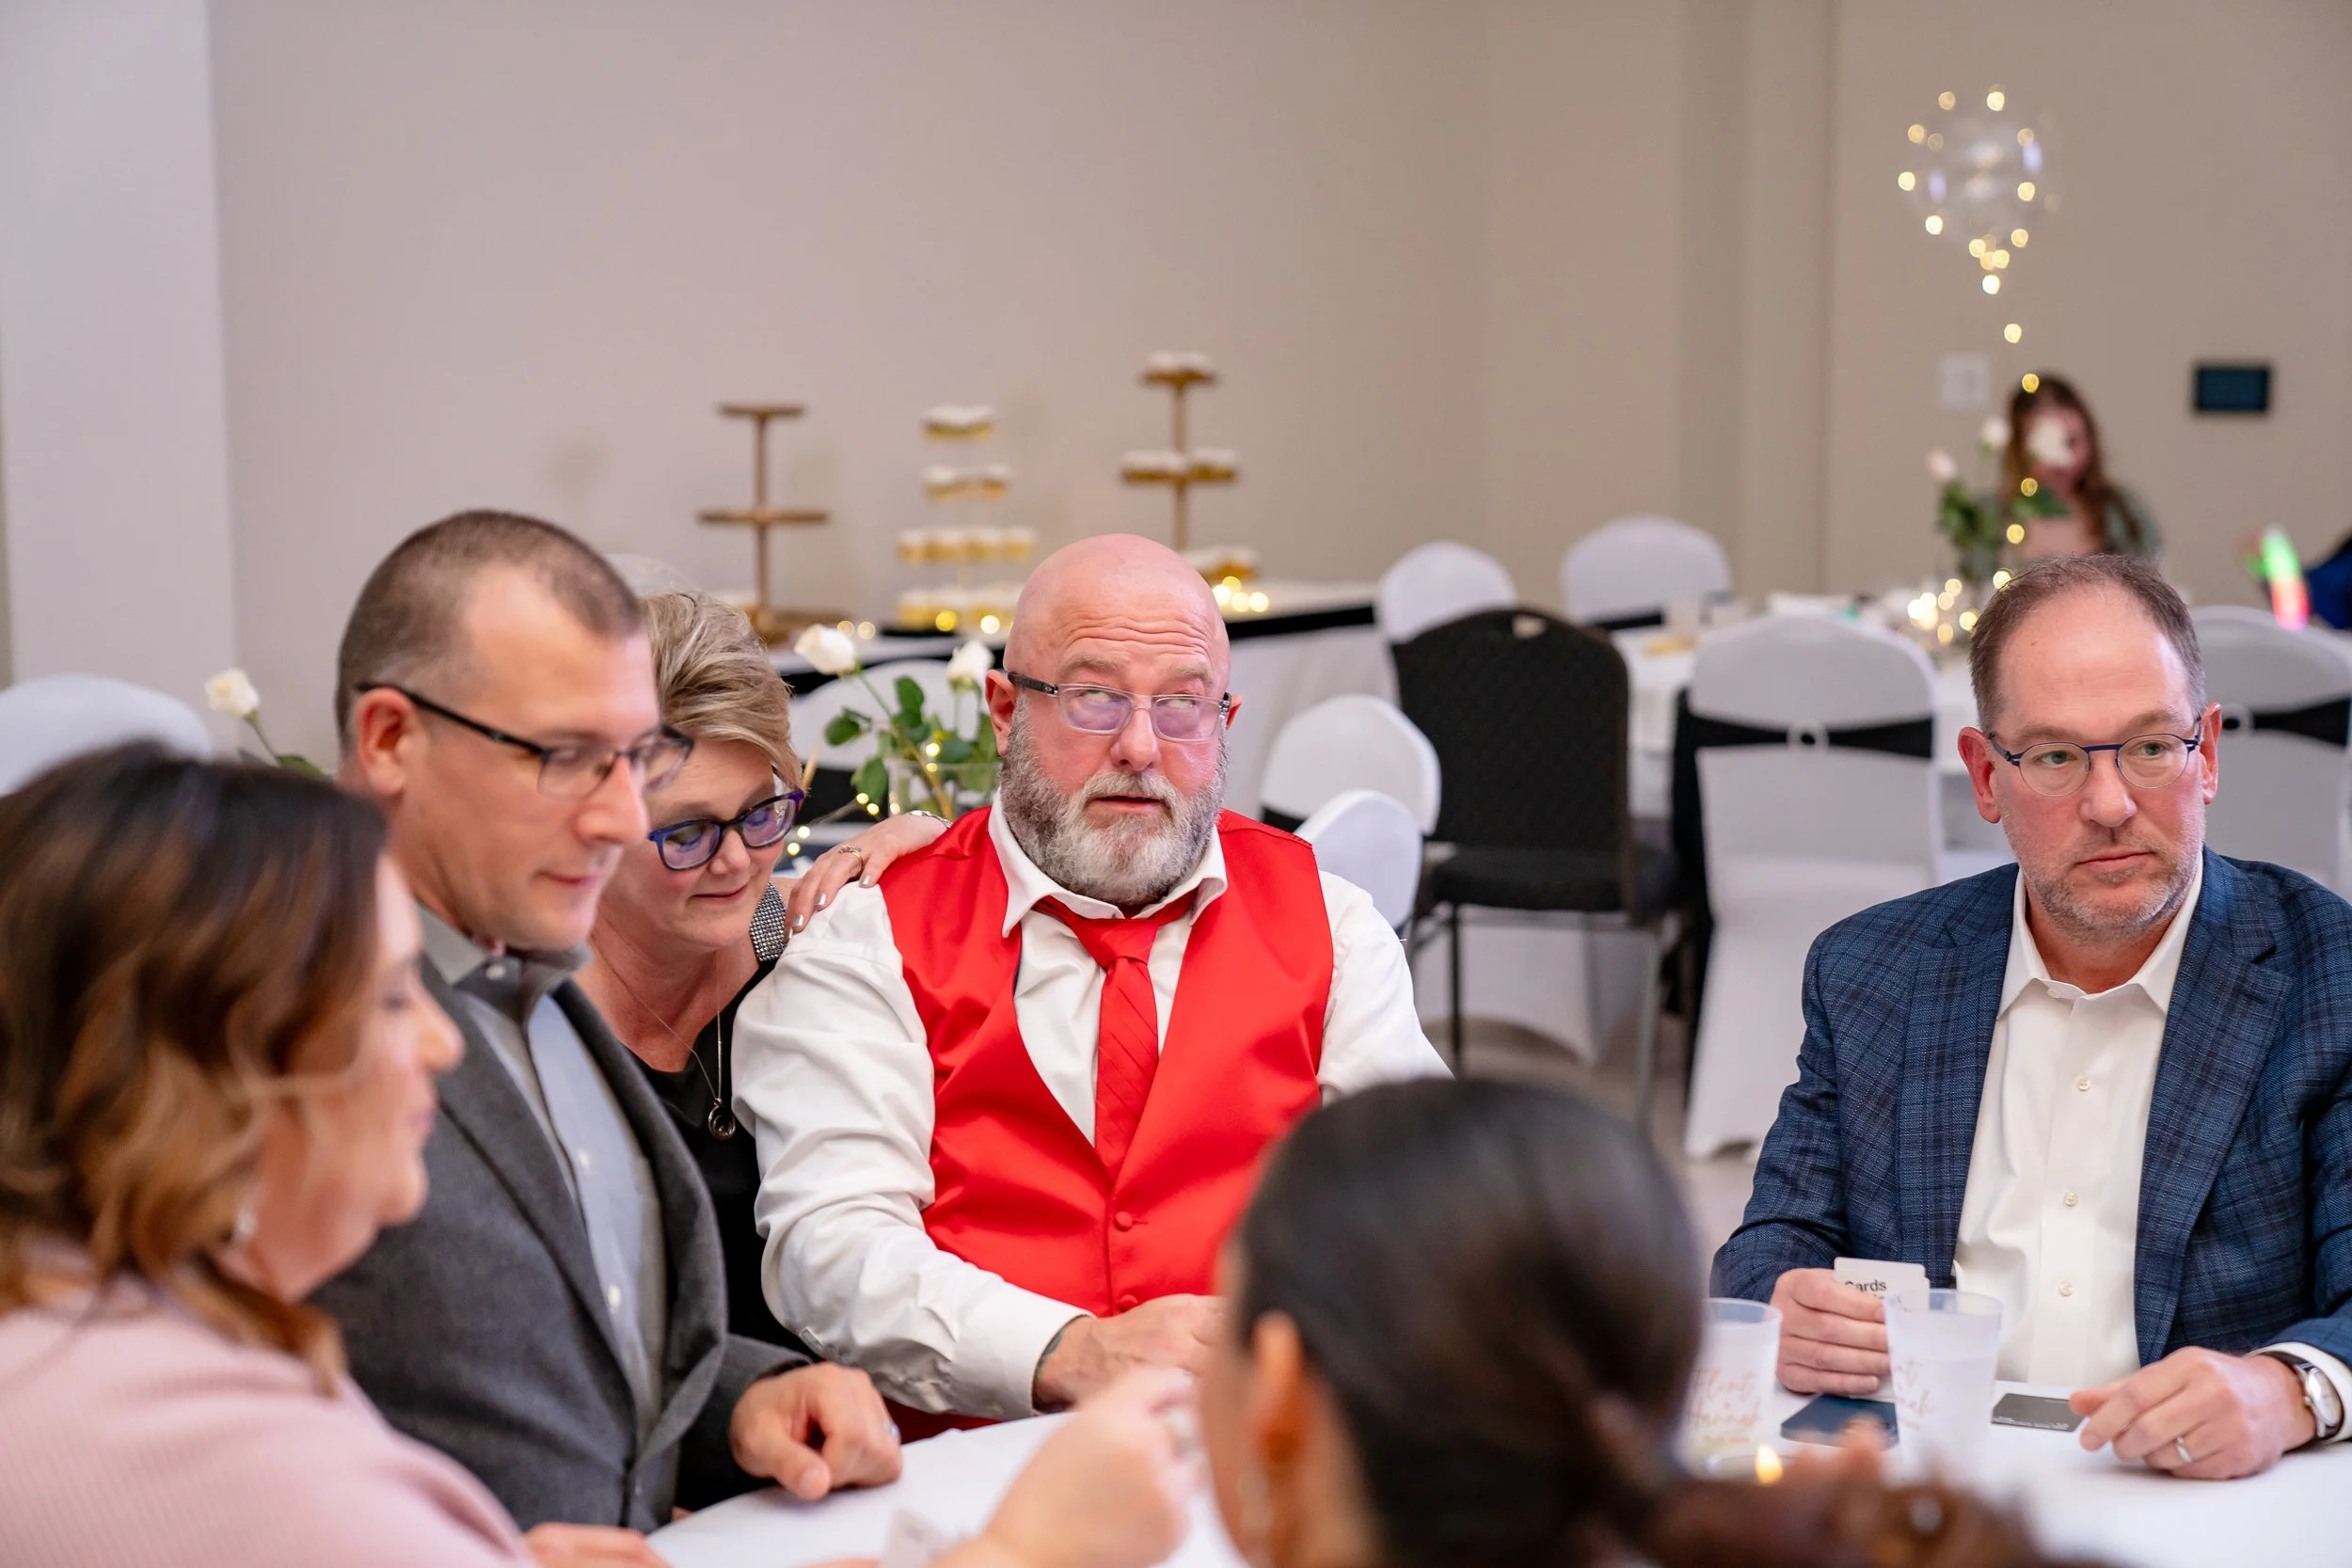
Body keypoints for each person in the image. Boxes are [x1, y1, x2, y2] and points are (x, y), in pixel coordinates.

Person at [735, 533, 1447, 1432]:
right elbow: (832, 1246)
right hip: (969, 1474)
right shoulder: (869, 935)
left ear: (1224, 723)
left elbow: (1428, 1205)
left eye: (1182, 704)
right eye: (1094, 698)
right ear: (1004, 712)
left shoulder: (1332, 925)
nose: (1140, 747)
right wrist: (1064, 1352)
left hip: (1264, 1452)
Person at [312, 511, 899, 1538]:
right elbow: (180, 1400)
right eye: (567, 756)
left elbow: (572, 1349)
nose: (624, 816)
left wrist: (740, 1401)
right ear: (392, 739)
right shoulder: (268, 1007)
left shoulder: (539, 975)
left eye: (632, 760)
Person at [1716, 554, 2352, 1481]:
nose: (2110, 804)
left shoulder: (2327, 973)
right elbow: (1773, 1241)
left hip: (2195, 1496)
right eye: (2055, 757)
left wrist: (2287, 1387)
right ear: (1985, 776)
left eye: (2150, 747)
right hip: (1933, 1487)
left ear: (2207, 753)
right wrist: (1785, 1298)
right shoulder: (1872, 971)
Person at [0, 747, 541, 1566]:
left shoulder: (64, 1323)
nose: (445, 1042)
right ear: (218, 1069)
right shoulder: (201, 1452)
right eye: (393, 996)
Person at [578, 587, 939, 1348]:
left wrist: (940, 843)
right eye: (687, 833)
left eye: (761, 812)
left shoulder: (807, 935)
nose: (738, 861)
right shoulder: (542, 1022)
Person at [2002, 373, 2160, 562]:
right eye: (2046, 447)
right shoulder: (1992, 522)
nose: (2062, 462)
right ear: (2019, 447)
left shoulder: (2123, 511)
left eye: (2072, 442)